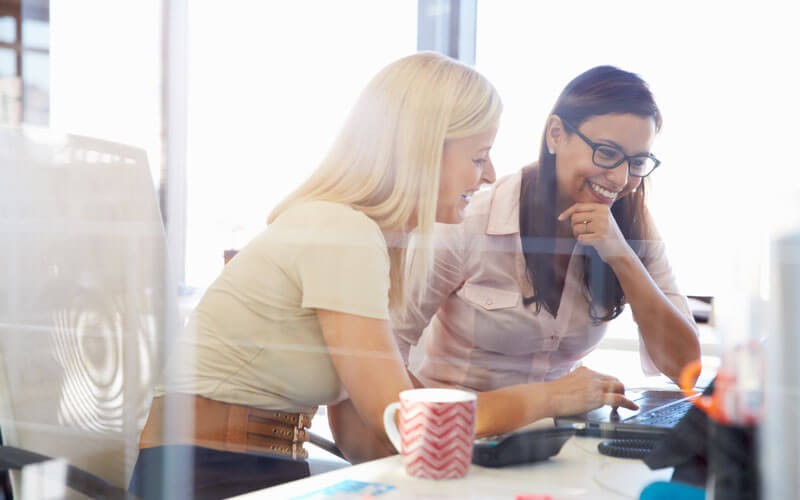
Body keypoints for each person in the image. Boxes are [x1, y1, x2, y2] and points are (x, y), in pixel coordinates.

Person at [129, 52, 579, 500]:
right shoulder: (342, 231)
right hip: (210, 475)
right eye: (479, 157)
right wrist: (550, 399)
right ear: (423, 152)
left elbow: (362, 436)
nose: (490, 176)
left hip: (259, 469)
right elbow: (402, 420)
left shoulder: (364, 239)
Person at [393, 65, 701, 416]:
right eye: (606, 153)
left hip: (553, 443)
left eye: (637, 162)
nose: (619, 177)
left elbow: (685, 368)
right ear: (556, 134)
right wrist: (433, 423)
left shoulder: (633, 223)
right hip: (460, 434)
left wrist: (621, 256)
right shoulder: (472, 220)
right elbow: (387, 350)